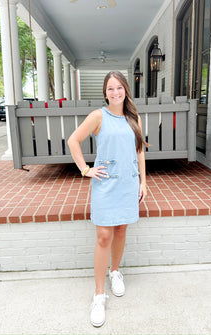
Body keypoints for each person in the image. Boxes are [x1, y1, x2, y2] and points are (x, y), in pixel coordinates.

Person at [67, 71, 147, 327]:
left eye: (119, 87)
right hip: (105, 185)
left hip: (128, 183)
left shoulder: (134, 118)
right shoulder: (98, 116)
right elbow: (73, 140)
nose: (115, 92)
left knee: (121, 229)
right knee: (104, 235)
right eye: (110, 88)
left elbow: (139, 151)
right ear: (105, 92)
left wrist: (143, 181)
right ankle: (99, 295)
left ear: (125, 90)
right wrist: (85, 169)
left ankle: (115, 272)